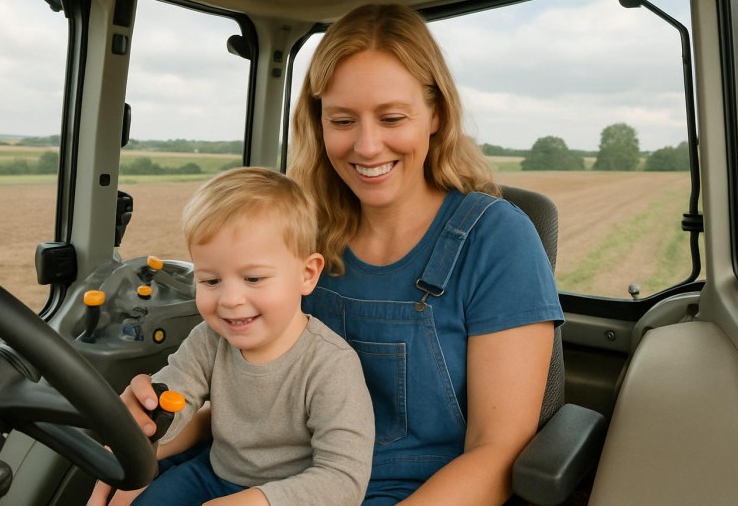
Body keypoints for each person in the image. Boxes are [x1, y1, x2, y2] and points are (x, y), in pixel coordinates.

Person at [287, 4, 564, 505]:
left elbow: (497, 452)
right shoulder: (297, 231)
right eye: (343, 120)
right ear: (319, 122)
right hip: (289, 481)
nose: (367, 146)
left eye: (392, 117)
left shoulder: (498, 240)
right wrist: (163, 434)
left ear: (436, 114)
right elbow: (253, 384)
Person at [89, 167, 375, 506]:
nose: (229, 300)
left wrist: (256, 501)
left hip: (288, 496)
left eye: (253, 279)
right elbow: (173, 398)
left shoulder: (331, 365)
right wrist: (140, 437)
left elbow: (342, 479)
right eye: (211, 281)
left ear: (307, 274)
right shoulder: (208, 339)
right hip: (211, 476)